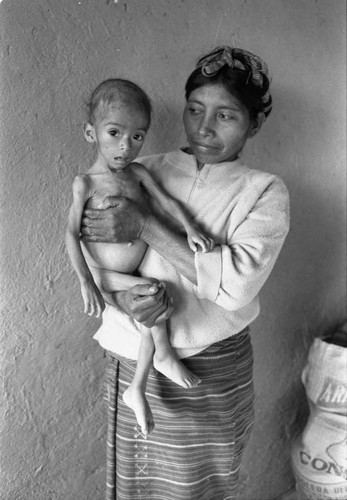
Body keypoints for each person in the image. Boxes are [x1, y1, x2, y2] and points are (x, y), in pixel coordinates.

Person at [81, 46, 290, 500]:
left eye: (226, 116)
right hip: (130, 353)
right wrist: (122, 299)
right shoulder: (141, 170)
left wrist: (148, 226)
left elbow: (235, 288)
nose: (204, 127)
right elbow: (97, 258)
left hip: (212, 367)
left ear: (253, 124)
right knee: (135, 483)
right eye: (195, 110)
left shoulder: (263, 193)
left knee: (201, 486)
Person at [65, 79, 214, 435]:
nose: (125, 146)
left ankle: (138, 387)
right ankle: (157, 363)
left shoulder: (138, 173)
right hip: (104, 274)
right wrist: (86, 280)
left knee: (151, 303)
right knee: (152, 293)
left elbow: (167, 202)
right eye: (114, 133)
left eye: (137, 136)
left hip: (128, 276)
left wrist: (191, 229)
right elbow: (71, 233)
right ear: (91, 133)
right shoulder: (85, 183)